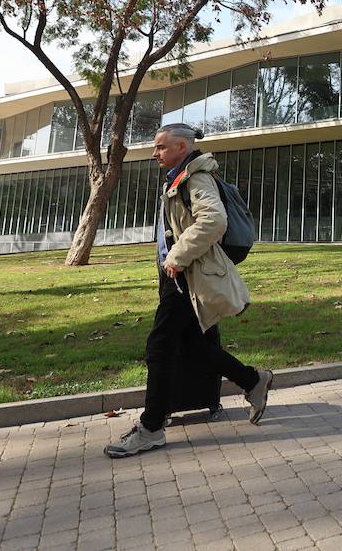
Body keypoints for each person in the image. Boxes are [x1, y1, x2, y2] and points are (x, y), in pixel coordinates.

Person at [105, 123, 273, 458]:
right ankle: (253, 380)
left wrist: (177, 258)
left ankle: (151, 428)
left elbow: (213, 220)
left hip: (186, 276)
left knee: (159, 346)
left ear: (182, 147)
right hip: (178, 275)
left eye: (161, 147)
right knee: (194, 347)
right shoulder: (180, 177)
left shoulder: (196, 178)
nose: (155, 153)